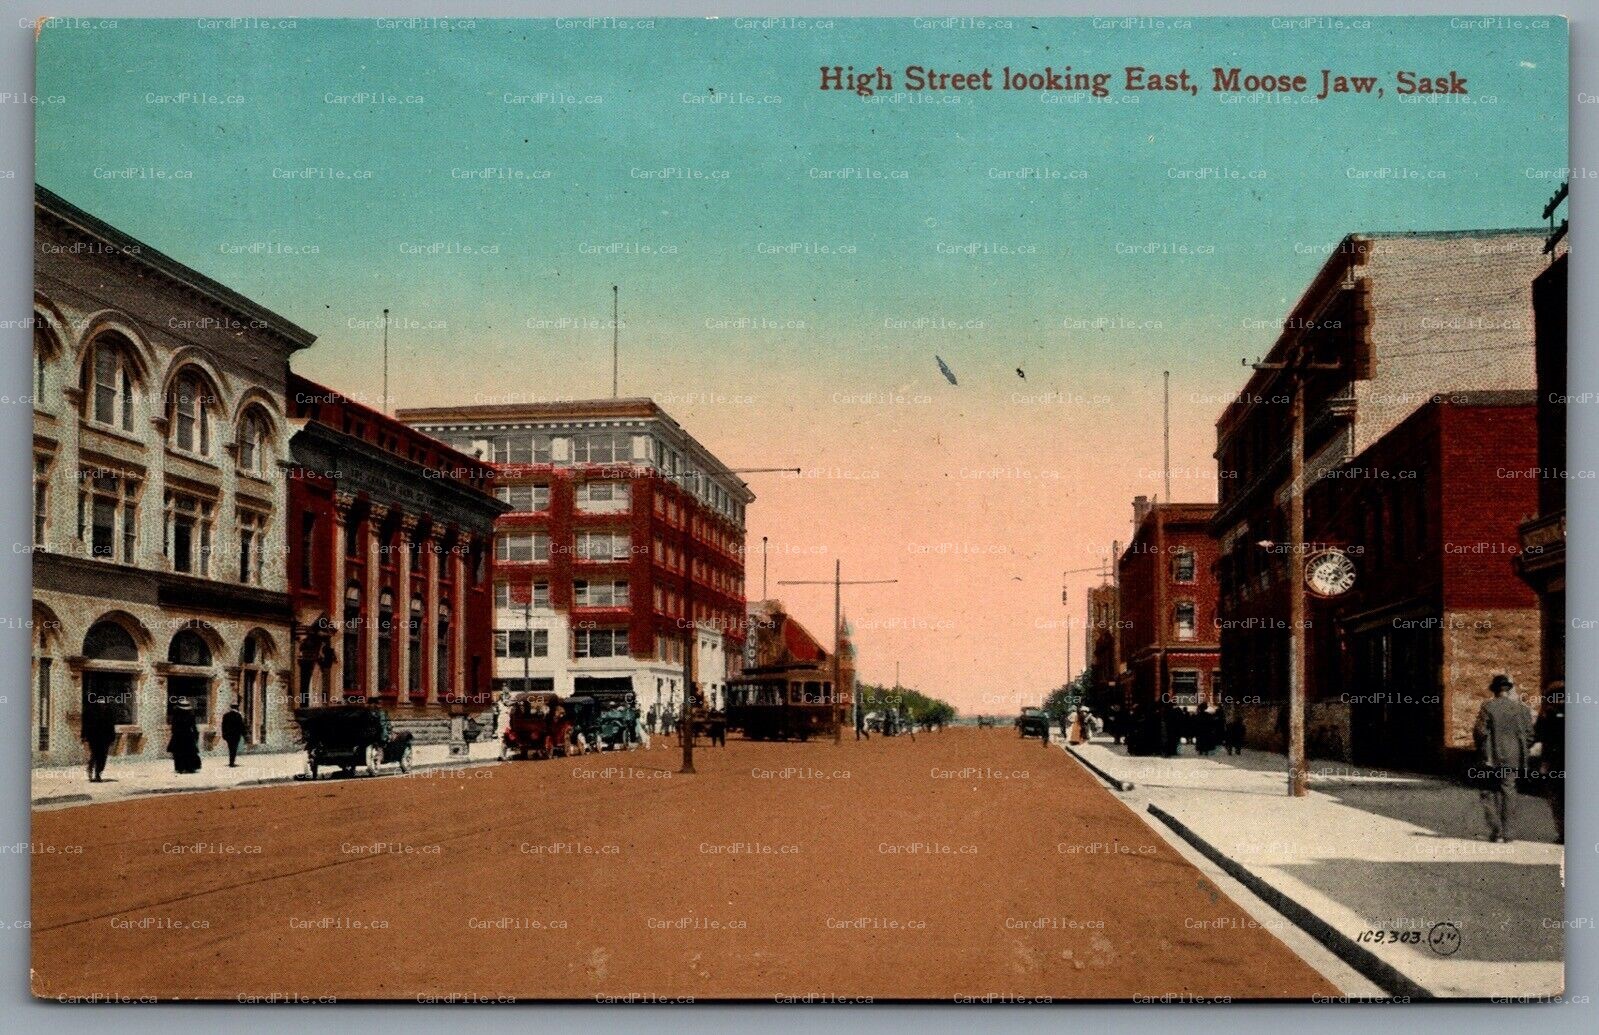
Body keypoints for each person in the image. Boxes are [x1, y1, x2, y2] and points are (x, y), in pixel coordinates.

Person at [1473, 674, 1534, 843]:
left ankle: (1496, 830)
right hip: (1513, 758)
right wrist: (1519, 749)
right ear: (1509, 689)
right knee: (1509, 791)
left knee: (1488, 791)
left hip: (1491, 757)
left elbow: (1480, 732)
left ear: (1494, 690)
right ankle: (1508, 833)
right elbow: (1530, 735)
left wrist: (1482, 749)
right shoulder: (1522, 709)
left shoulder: (1489, 707)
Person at [1533, 682, 1565, 845]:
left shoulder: (1547, 714)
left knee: (1556, 797)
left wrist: (1543, 762)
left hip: (1554, 761)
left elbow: (1539, 736)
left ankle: (1563, 833)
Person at [82, 700, 116, 783]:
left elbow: (111, 726)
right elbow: (86, 725)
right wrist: (84, 736)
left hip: (105, 739)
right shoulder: (91, 712)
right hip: (94, 738)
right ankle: (90, 769)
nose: (102, 704)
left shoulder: (109, 712)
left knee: (102, 757)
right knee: (94, 755)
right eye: (101, 703)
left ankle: (98, 774)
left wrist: (112, 738)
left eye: (104, 703)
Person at [168, 698, 203, 774]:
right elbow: (194, 728)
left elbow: (173, 728)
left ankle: (180, 767)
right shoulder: (191, 716)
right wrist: (196, 736)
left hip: (178, 736)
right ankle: (190, 767)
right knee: (189, 752)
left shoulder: (176, 716)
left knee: (179, 753)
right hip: (188, 736)